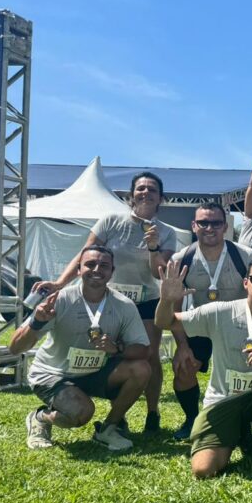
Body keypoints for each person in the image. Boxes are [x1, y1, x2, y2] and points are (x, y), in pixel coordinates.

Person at [34, 171, 177, 432]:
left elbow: (159, 273)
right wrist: (60, 283)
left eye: (152, 189)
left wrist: (154, 247)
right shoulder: (111, 221)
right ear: (131, 195)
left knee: (148, 356)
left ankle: (152, 413)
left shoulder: (167, 232)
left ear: (161, 198)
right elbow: (85, 256)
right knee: (111, 352)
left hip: (146, 301)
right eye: (140, 188)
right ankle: (116, 417)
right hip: (109, 301)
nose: (145, 193)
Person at [155, 256, 252, 477]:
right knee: (203, 470)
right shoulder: (220, 312)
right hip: (223, 399)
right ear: (245, 283)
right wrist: (166, 301)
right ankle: (241, 433)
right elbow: (165, 322)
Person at [12, 245, 151, 452]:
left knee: (141, 369)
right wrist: (37, 322)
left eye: (104, 266)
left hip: (94, 373)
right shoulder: (59, 300)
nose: (97, 270)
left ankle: (108, 429)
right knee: (82, 413)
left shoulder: (124, 305)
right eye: (90, 264)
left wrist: (116, 348)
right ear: (78, 269)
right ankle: (40, 417)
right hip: (54, 375)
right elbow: (15, 347)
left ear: (112, 272)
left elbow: (144, 350)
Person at [167, 203, 252, 440]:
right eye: (203, 223)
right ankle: (191, 419)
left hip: (238, 326)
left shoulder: (245, 256)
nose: (210, 228)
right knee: (183, 368)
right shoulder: (181, 259)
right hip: (202, 324)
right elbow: (174, 307)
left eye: (216, 223)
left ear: (225, 227)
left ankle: (245, 420)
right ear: (193, 226)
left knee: (246, 373)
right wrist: (182, 346)